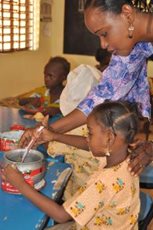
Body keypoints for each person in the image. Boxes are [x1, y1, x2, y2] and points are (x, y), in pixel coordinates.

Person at [20, 0, 153, 176]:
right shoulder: (132, 48)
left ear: (127, 14)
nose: (103, 45)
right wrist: (45, 131)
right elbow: (99, 98)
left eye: (104, 33)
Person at [2, 100, 140, 230]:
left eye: (90, 133)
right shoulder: (125, 156)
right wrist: (54, 136)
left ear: (109, 138)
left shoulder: (105, 183)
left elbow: (61, 215)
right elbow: (88, 145)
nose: (87, 138)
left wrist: (20, 183)